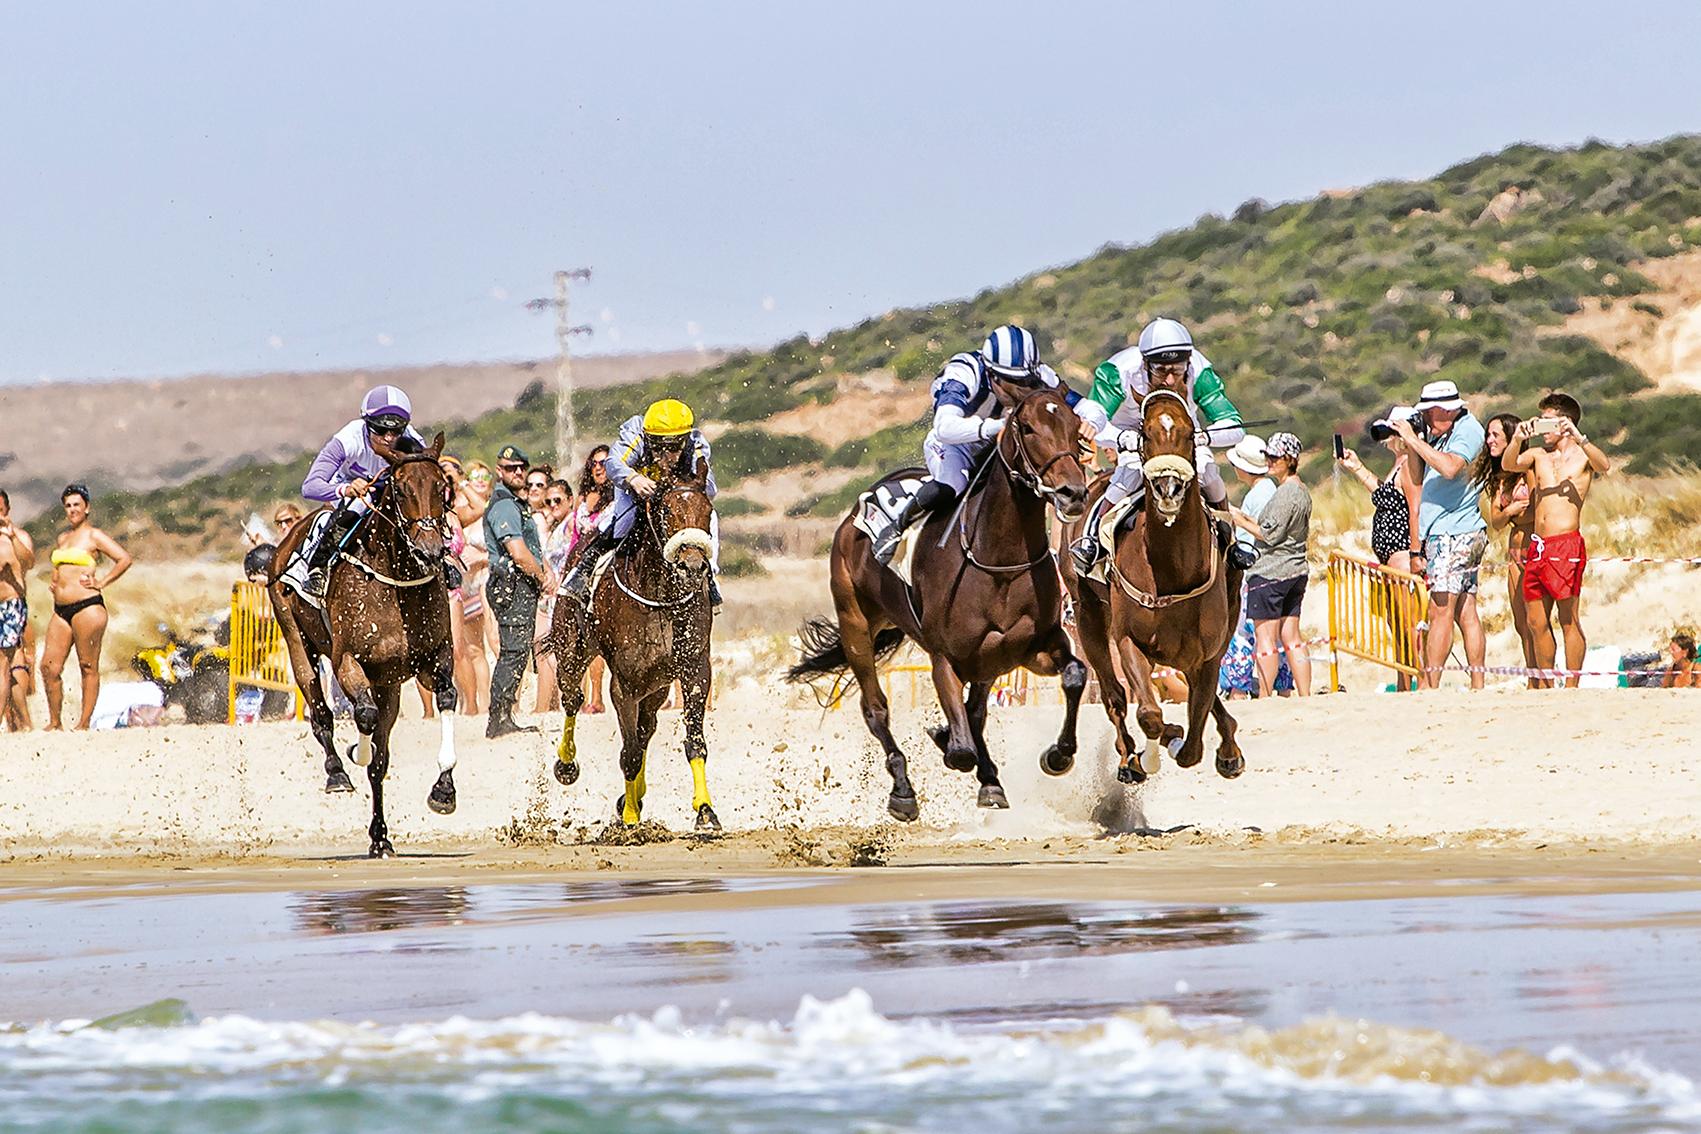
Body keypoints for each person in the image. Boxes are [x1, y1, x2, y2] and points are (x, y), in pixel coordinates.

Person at [875, 325, 1084, 562]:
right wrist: (997, 426)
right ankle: (898, 526)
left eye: (1024, 381)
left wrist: (1091, 425)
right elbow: (944, 427)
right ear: (991, 374)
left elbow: (1086, 407)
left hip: (999, 444)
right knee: (953, 483)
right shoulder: (964, 371)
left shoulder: (1038, 373)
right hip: (955, 444)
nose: (1018, 389)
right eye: (1010, 381)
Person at [1071, 318, 1257, 575]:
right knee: (1129, 475)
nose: (1170, 379)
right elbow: (1093, 424)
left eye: (1178, 370)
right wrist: (1123, 439)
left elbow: (1235, 426)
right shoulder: (1117, 371)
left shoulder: (1200, 370)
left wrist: (1204, 437)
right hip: (1132, 433)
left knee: (1207, 470)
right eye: (1160, 370)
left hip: (1181, 433)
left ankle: (1231, 543)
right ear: (1144, 364)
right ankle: (1092, 541)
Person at [561, 400, 721, 606]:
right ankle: (587, 565)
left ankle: (710, 577)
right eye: (659, 446)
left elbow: (709, 488)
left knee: (711, 516)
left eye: (674, 447)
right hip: (633, 488)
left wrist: (680, 488)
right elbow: (613, 463)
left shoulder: (695, 443)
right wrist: (633, 478)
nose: (666, 454)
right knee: (624, 521)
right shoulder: (636, 434)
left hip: (673, 495)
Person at [1502, 391, 1611, 690]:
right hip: (1538, 545)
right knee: (1535, 620)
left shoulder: (1582, 457)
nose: (1542, 429)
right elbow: (1510, 464)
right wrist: (1517, 439)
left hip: (1565, 543)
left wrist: (1579, 437)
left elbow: (1604, 465)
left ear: (1564, 423)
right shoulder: (1539, 455)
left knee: (1568, 618)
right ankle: (1547, 685)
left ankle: (1572, 685)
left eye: (1547, 422)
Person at [1393, 380, 1488, 691]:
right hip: (1449, 531)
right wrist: (1414, 443)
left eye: (1429, 413)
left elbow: (1450, 468)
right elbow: (1418, 479)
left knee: (1440, 610)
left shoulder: (1467, 430)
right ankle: (1477, 684)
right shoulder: (1443, 434)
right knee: (1465, 610)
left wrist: (1414, 440)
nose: (1426, 419)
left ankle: (1429, 684)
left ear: (1445, 410)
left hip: (1455, 531)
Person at [298, 385, 425, 599]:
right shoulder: (348, 439)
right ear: (367, 424)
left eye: (396, 431)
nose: (388, 438)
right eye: (380, 430)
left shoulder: (413, 441)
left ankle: (443, 558)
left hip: (388, 488)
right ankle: (318, 567)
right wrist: (345, 490)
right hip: (348, 488)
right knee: (360, 501)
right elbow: (309, 487)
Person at [41, 483, 133, 730]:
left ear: (87, 508)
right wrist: (55, 582)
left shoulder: (94, 536)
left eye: (76, 505)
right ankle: (55, 722)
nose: (72, 509)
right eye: (68, 505)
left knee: (88, 666)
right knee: (49, 666)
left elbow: (124, 559)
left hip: (87, 607)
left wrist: (102, 582)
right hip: (61, 610)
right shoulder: (63, 538)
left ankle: (83, 723)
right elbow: (60, 566)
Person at [1228, 433, 1312, 697]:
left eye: (1276, 457)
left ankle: (1265, 696)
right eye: (1268, 456)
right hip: (1295, 569)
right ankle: (1305, 694)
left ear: (1290, 460)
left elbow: (1269, 534)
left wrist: (1238, 519)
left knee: (1266, 639)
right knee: (1291, 636)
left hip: (1271, 573)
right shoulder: (1301, 490)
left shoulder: (1286, 492)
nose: (1270, 461)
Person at [484, 445, 558, 737]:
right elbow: (518, 552)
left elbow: (531, 548)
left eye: (521, 468)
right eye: (510, 468)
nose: (517, 472)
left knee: (516, 651)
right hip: (512, 585)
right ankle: (499, 719)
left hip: (518, 585)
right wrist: (542, 577)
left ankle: (503, 716)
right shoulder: (504, 505)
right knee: (513, 652)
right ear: (499, 471)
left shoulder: (516, 504)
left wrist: (544, 571)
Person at [1475, 412, 1538, 687]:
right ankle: (1533, 677)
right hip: (1514, 551)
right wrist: (1511, 510)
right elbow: (1497, 521)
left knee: (1538, 621)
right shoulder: (1500, 478)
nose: (1489, 440)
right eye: (1488, 435)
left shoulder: (1530, 468)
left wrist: (1511, 513)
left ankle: (1544, 678)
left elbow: (1537, 509)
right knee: (1521, 623)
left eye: (1495, 435)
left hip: (1535, 545)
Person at [533, 478, 577, 713]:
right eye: (548, 502)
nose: (552, 505)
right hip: (550, 595)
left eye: (557, 500)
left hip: (562, 593)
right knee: (543, 651)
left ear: (570, 500)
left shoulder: (573, 522)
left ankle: (553, 705)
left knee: (554, 652)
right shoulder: (557, 526)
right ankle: (547, 705)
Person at [574, 446, 612, 713]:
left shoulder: (620, 496)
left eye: (604, 462)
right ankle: (585, 695)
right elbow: (575, 538)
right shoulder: (583, 498)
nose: (598, 467)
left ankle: (596, 696)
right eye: (594, 463)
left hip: (606, 560)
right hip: (580, 562)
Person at [0, 488, 38, 731]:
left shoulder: (19, 537)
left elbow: (29, 562)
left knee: (3, 663)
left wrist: (12, 536)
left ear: (7, 509)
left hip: (11, 606)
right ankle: (25, 722)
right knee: (6, 668)